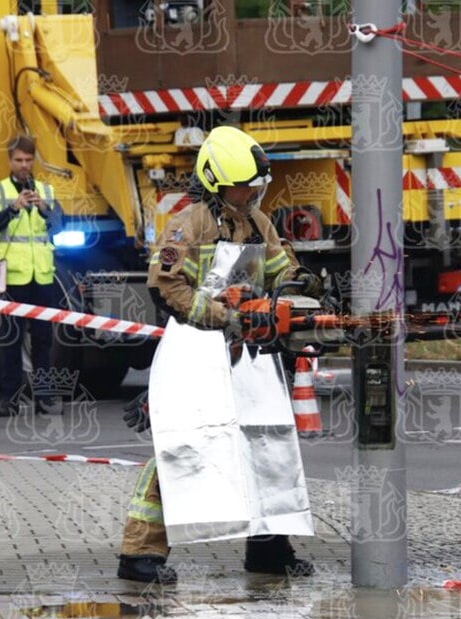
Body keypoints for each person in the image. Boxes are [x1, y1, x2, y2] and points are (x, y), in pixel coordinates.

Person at [116, 125, 324, 585]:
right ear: (214, 182)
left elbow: (280, 269)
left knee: (266, 447)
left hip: (249, 354)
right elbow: (167, 287)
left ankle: (269, 549)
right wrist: (218, 316)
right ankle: (139, 554)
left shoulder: (257, 221)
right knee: (182, 447)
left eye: (254, 187)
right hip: (196, 349)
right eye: (241, 187)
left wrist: (302, 283)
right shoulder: (188, 225)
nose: (249, 194)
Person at [0, 134, 63, 416]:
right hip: (13, 278)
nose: (24, 165)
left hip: (42, 277)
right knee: (11, 341)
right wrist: (13, 208)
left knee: (43, 341)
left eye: (28, 160)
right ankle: (10, 398)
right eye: (19, 160)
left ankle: (43, 398)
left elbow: (59, 226)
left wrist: (43, 208)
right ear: (10, 160)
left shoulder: (46, 191)